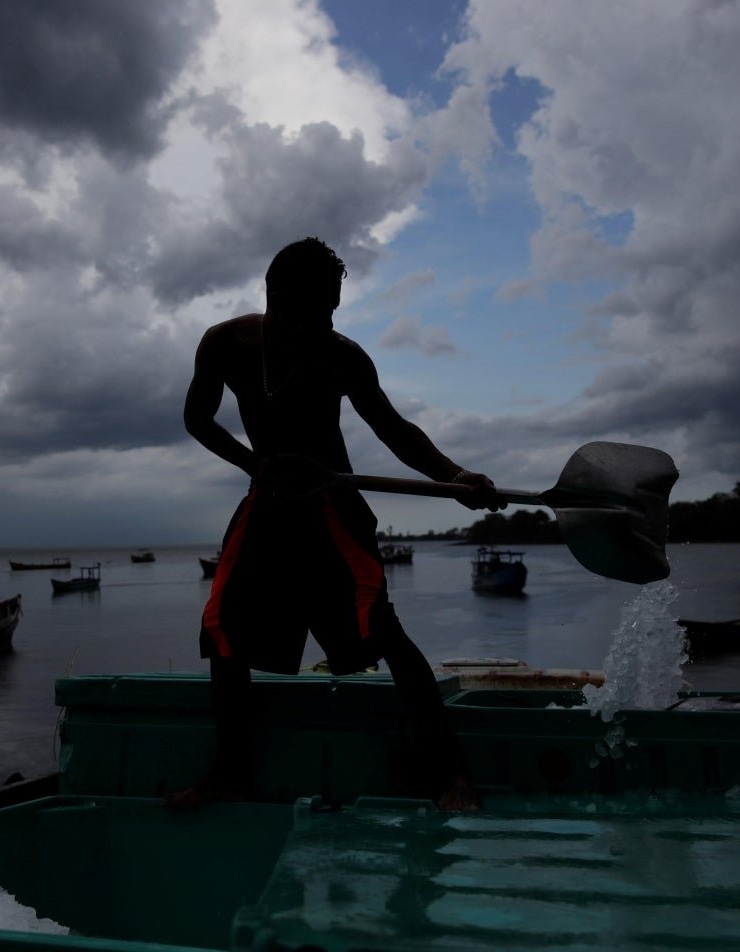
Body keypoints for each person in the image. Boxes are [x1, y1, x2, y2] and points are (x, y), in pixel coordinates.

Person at [168, 237, 507, 812]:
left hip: (331, 507)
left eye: (334, 307)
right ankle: (231, 775)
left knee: (382, 630)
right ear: (278, 299)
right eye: (319, 308)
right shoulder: (225, 344)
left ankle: (452, 774)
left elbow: (395, 431)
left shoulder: (342, 356)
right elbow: (196, 417)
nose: (329, 319)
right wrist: (256, 463)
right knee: (222, 624)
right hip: (269, 503)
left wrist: (455, 478)